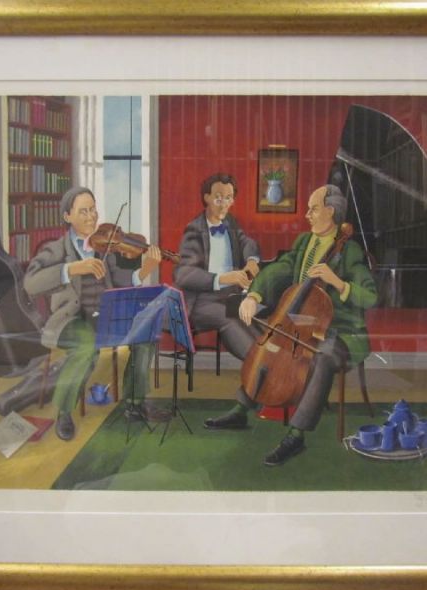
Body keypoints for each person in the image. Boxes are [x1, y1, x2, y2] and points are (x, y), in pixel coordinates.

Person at [203, 184, 378, 466]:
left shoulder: (350, 251)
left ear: (330, 211)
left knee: (322, 357)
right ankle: (242, 408)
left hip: (340, 329)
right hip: (299, 321)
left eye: (313, 209)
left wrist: (337, 282)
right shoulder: (305, 241)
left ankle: (296, 435)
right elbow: (281, 268)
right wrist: (255, 296)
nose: (307, 214)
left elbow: (370, 296)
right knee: (263, 340)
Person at [24, 186, 162, 441]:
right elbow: (30, 283)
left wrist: (145, 270)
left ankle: (134, 403)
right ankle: (64, 412)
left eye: (93, 209)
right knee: (86, 345)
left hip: (104, 315)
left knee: (146, 333)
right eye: (83, 211)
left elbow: (120, 280)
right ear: (67, 216)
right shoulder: (56, 249)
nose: (91, 217)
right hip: (72, 319)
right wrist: (72, 268)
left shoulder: (102, 246)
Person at [173, 173, 261, 360]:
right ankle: (257, 364)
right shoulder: (194, 229)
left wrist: (252, 259)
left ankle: (272, 362)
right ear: (206, 197)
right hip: (201, 301)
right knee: (229, 318)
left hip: (230, 296)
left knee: (253, 317)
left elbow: (247, 242)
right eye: (218, 198)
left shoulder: (230, 222)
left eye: (228, 198)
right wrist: (222, 278)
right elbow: (183, 274)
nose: (224, 204)